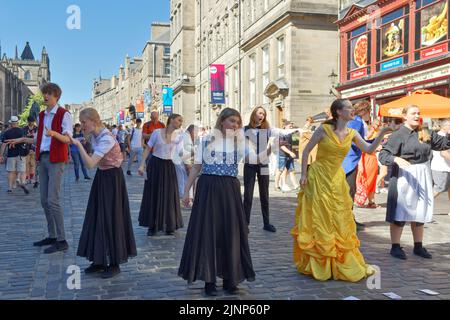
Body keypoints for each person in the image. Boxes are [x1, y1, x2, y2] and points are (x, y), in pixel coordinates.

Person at [291, 99, 393, 282]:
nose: (352, 110)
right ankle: (320, 262)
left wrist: (382, 133)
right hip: (318, 177)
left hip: (337, 179)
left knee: (339, 217)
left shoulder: (352, 132)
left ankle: (337, 260)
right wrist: (303, 175)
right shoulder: (324, 129)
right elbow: (306, 151)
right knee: (320, 218)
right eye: (349, 108)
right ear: (338, 112)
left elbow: (369, 149)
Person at [178, 108, 255, 296]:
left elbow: (255, 159)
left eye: (237, 122)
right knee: (208, 233)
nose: (235, 125)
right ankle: (209, 281)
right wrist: (186, 191)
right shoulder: (206, 141)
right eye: (231, 121)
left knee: (230, 233)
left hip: (230, 191)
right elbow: (196, 168)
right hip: (208, 189)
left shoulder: (240, 143)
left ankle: (230, 279)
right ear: (222, 122)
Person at [5, 83, 73, 254]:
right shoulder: (42, 115)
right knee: (44, 200)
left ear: (56, 96)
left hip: (56, 159)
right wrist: (20, 140)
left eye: (49, 93)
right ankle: (52, 235)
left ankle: (62, 239)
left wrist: (53, 134)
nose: (45, 96)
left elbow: (67, 139)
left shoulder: (64, 114)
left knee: (53, 200)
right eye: (45, 93)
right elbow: (37, 139)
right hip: (42, 158)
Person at [69, 108, 136, 279]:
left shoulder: (106, 137)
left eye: (84, 122)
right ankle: (98, 260)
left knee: (111, 218)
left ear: (93, 121)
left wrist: (78, 144)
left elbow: (90, 163)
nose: (82, 125)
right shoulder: (96, 135)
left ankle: (114, 263)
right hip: (103, 177)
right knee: (97, 217)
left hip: (112, 180)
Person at [379, 106, 450, 260]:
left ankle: (418, 246)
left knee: (420, 210)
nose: (417, 115)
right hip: (405, 175)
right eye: (413, 113)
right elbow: (384, 155)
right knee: (401, 211)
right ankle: (395, 246)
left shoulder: (425, 132)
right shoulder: (397, 135)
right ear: (405, 116)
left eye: (418, 113)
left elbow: (443, 144)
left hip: (423, 173)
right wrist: (396, 159)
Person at [138, 114, 184, 236]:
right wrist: (142, 165)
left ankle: (169, 225)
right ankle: (152, 225)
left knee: (169, 194)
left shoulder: (179, 136)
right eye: (179, 120)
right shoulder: (157, 132)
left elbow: (180, 153)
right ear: (172, 120)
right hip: (155, 164)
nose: (180, 123)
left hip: (169, 166)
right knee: (153, 193)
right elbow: (148, 149)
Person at [243, 106, 277, 232]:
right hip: (250, 164)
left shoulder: (267, 129)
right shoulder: (245, 129)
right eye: (259, 113)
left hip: (263, 163)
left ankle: (266, 223)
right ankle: (245, 223)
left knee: (265, 194)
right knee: (248, 195)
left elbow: (280, 133)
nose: (262, 115)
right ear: (254, 114)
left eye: (263, 113)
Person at [342, 101, 372, 230]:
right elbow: (353, 141)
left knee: (349, 192)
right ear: (364, 111)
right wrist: (372, 143)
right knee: (349, 192)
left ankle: (350, 219)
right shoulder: (357, 121)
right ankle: (347, 221)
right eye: (369, 112)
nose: (369, 115)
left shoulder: (354, 121)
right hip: (349, 161)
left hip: (348, 159)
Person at [0, 116, 29, 194]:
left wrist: (1, 155)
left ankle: (10, 188)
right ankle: (22, 183)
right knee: (22, 170)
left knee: (10, 172)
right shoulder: (22, 131)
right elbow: (26, 141)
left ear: (10, 123)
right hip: (21, 154)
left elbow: (3, 145)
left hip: (11, 154)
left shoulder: (7, 132)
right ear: (18, 123)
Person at [431, 119, 450, 199]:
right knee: (439, 189)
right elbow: (444, 153)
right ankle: (421, 207)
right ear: (445, 127)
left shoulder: (445, 136)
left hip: (446, 167)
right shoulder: (441, 136)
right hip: (441, 168)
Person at [23, 116, 38, 187]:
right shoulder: (24, 128)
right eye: (30, 121)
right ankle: (26, 178)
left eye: (32, 121)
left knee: (32, 164)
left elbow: (38, 137)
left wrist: (32, 135)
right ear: (28, 121)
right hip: (26, 148)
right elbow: (22, 137)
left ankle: (32, 178)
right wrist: (27, 135)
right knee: (26, 164)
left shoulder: (36, 128)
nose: (31, 123)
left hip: (34, 148)